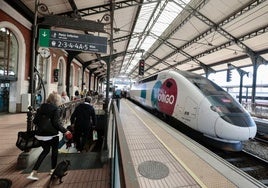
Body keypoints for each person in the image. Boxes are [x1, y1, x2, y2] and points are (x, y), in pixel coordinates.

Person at [27, 92, 71, 181]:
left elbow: (35, 121)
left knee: (45, 150)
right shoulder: (56, 109)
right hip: (51, 135)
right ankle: (52, 170)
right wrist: (65, 131)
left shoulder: (41, 108)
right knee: (54, 152)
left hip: (40, 135)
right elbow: (56, 124)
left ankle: (33, 172)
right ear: (57, 101)